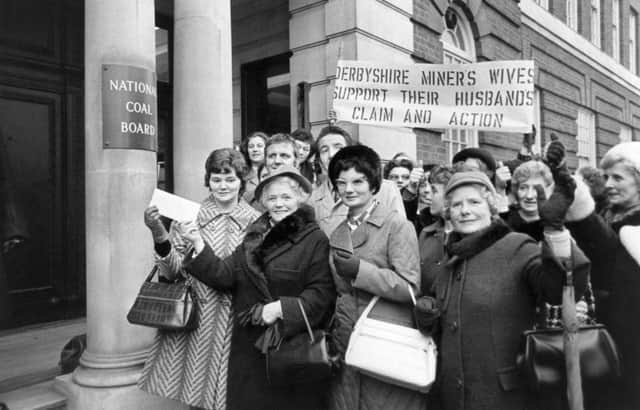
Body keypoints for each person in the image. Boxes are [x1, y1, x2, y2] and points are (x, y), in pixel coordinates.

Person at [425, 170, 589, 410]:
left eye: (474, 202)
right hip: (452, 396)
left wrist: (555, 231)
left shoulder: (517, 247)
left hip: (504, 397)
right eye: (457, 204)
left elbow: (559, 289)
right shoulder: (450, 258)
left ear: (491, 207)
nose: (465, 210)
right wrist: (427, 316)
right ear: (448, 212)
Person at [181, 165, 336, 410]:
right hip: (248, 351)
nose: (279, 204)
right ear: (263, 201)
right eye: (272, 198)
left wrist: (279, 309)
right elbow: (224, 276)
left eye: (286, 197)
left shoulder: (315, 238)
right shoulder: (253, 237)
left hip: (289, 351)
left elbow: (321, 294)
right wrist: (197, 242)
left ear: (300, 199)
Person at [138, 148, 261, 410]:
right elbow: (171, 273)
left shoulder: (256, 221)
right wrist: (160, 235)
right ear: (208, 181)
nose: (223, 186)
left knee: (237, 396)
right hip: (197, 318)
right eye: (216, 179)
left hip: (238, 321)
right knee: (197, 397)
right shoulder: (188, 215)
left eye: (230, 179)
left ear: (242, 181)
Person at [326, 145, 425, 410]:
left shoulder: (397, 225)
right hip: (346, 339)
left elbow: (410, 288)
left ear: (373, 185)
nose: (349, 189)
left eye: (358, 181)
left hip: (383, 340)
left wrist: (362, 271)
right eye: (342, 182)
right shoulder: (336, 233)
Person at [564, 141, 640, 410]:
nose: (608, 184)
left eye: (618, 177)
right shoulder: (610, 216)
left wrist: (581, 210)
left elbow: (606, 250)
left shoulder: (633, 227)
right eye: (606, 176)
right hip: (603, 334)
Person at [310, 125, 405, 235]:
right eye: (324, 150)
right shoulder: (312, 199)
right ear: (319, 160)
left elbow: (400, 235)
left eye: (338, 147)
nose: (331, 155)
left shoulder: (386, 190)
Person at [418, 165, 453, 292]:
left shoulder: (467, 235)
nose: (428, 195)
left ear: (450, 195)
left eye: (434, 190)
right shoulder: (426, 233)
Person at [241, 131, 268, 205]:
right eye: (251, 146)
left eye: (259, 146)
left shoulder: (273, 171)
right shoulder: (241, 174)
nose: (255, 150)